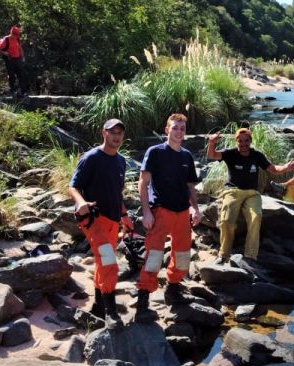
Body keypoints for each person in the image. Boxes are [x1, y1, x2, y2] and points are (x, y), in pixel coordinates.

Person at [135, 113, 201, 322]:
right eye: (175, 128)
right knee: (154, 256)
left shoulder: (186, 156)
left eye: (182, 128)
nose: (179, 131)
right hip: (161, 211)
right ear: (167, 130)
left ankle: (172, 290)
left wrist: (196, 210)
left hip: (182, 212)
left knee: (182, 254)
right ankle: (142, 303)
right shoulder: (155, 152)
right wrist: (146, 211)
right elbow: (143, 183)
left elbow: (190, 186)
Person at [68, 118, 131, 330]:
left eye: (120, 133)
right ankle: (111, 312)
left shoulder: (121, 160)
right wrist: (81, 202)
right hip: (94, 219)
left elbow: (117, 193)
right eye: (112, 132)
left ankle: (98, 305)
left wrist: (124, 216)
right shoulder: (92, 158)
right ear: (104, 133)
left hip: (113, 219)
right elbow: (73, 186)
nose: (116, 136)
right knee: (109, 263)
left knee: (102, 263)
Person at [207, 127, 294, 265]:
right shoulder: (230, 153)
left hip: (252, 193)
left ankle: (250, 257)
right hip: (233, 191)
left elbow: (272, 169)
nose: (243, 144)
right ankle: (224, 254)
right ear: (236, 141)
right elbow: (212, 155)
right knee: (226, 221)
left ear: (250, 141)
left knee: (256, 217)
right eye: (240, 141)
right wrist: (212, 143)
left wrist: (286, 167)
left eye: (246, 141)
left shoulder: (257, 155)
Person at [0, 24, 27, 97]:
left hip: (18, 59)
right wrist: (4, 52)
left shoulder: (17, 39)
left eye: (18, 35)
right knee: (11, 76)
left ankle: (23, 92)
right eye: (16, 35)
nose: (17, 36)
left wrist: (23, 57)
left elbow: (20, 48)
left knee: (21, 75)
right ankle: (13, 91)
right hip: (9, 59)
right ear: (11, 33)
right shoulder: (6, 39)